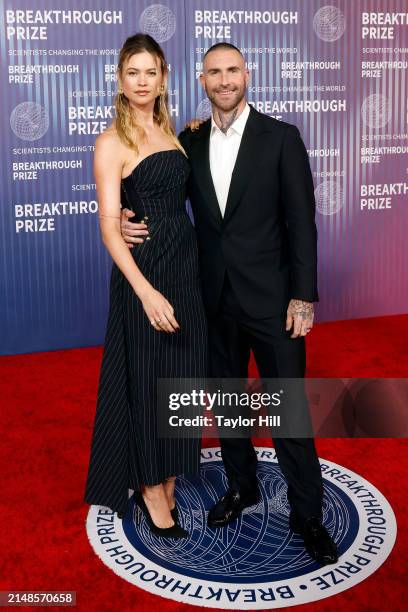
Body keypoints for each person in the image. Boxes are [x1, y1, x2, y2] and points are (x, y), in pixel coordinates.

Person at [121, 42, 338, 565]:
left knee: (288, 410)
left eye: (232, 70)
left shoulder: (281, 139)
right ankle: (243, 487)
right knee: (232, 405)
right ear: (200, 79)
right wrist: (125, 221)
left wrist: (303, 296)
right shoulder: (187, 142)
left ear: (248, 73)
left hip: (272, 301)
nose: (223, 80)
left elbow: (300, 223)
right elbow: (158, 194)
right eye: (214, 72)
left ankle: (307, 512)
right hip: (211, 299)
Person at [84, 33, 207, 539]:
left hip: (186, 268)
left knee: (181, 379)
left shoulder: (171, 128)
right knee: (149, 383)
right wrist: (145, 292)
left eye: (150, 72)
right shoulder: (111, 141)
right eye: (132, 72)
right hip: (147, 276)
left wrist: (194, 131)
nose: (141, 81)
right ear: (120, 79)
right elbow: (111, 228)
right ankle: (153, 489)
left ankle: (171, 471)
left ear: (163, 79)